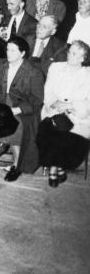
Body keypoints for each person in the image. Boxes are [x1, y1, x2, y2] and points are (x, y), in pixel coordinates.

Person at [0, 36, 45, 181]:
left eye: (13, 50)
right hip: (0, 103)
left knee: (17, 130)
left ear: (22, 53)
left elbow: (37, 100)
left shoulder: (34, 72)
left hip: (20, 109)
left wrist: (17, 110)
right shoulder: (0, 64)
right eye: (7, 49)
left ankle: (16, 166)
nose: (8, 53)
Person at [38, 40, 90, 186]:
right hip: (54, 112)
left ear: (83, 58)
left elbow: (89, 102)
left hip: (78, 118)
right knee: (49, 130)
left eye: (74, 53)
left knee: (65, 136)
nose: (69, 55)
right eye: (69, 51)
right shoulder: (55, 68)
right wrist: (55, 103)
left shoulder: (88, 75)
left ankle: (55, 168)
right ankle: (57, 168)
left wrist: (70, 106)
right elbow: (47, 91)